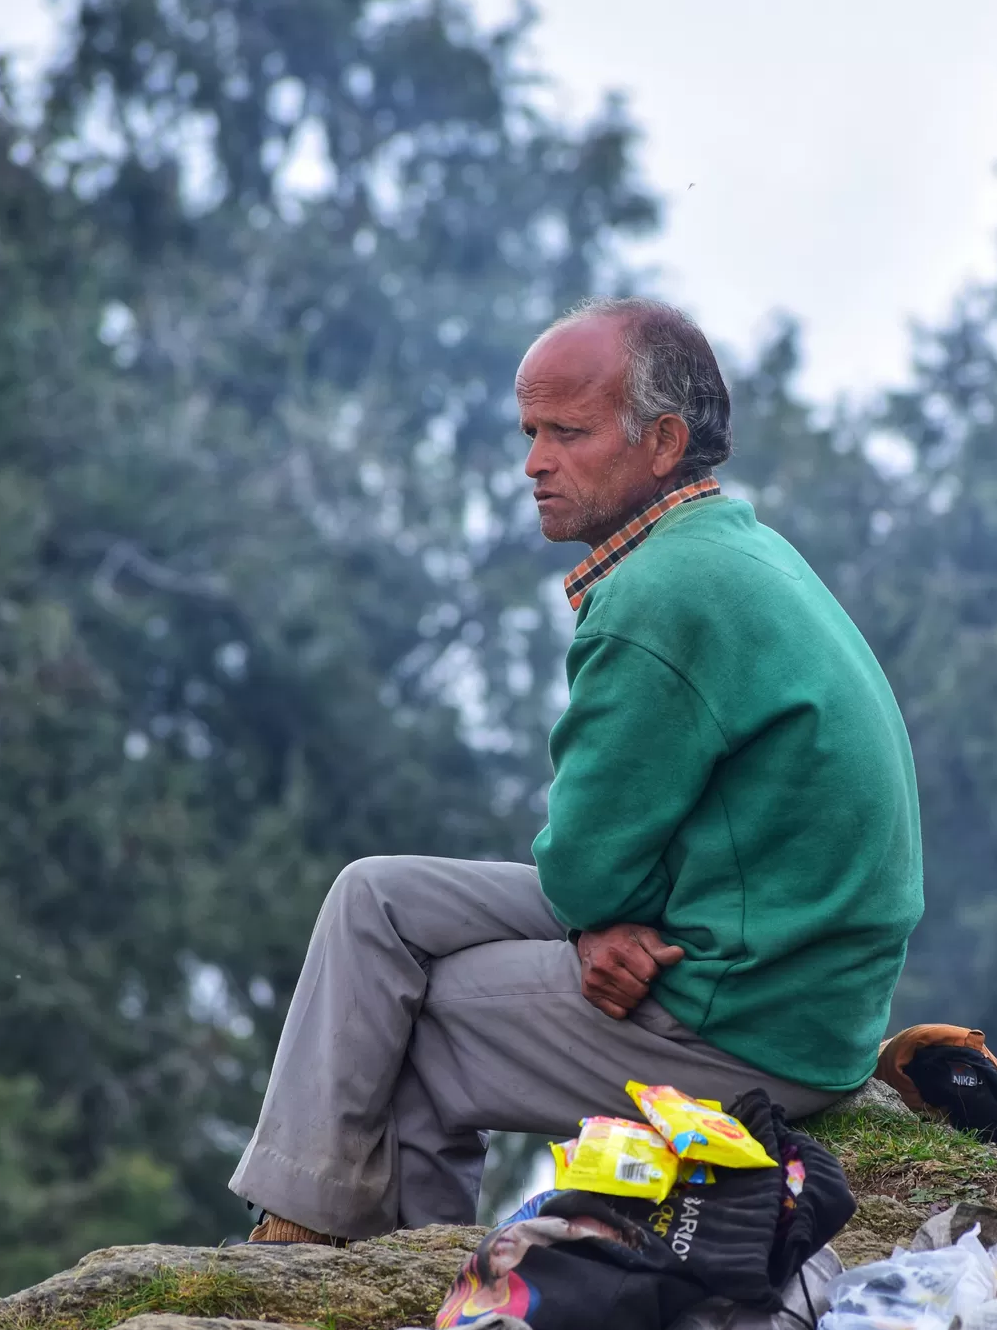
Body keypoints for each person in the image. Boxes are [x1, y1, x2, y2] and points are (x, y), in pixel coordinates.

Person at [232, 298, 923, 1244]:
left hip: (752, 1012)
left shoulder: (657, 596)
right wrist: (596, 917)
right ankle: (306, 1216)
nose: (534, 463)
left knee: (424, 1028)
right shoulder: (730, 544)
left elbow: (588, 871)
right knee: (373, 900)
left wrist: (599, 909)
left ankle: (361, 1262)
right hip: (754, 935)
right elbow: (597, 877)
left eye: (569, 432)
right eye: (530, 433)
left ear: (663, 441)